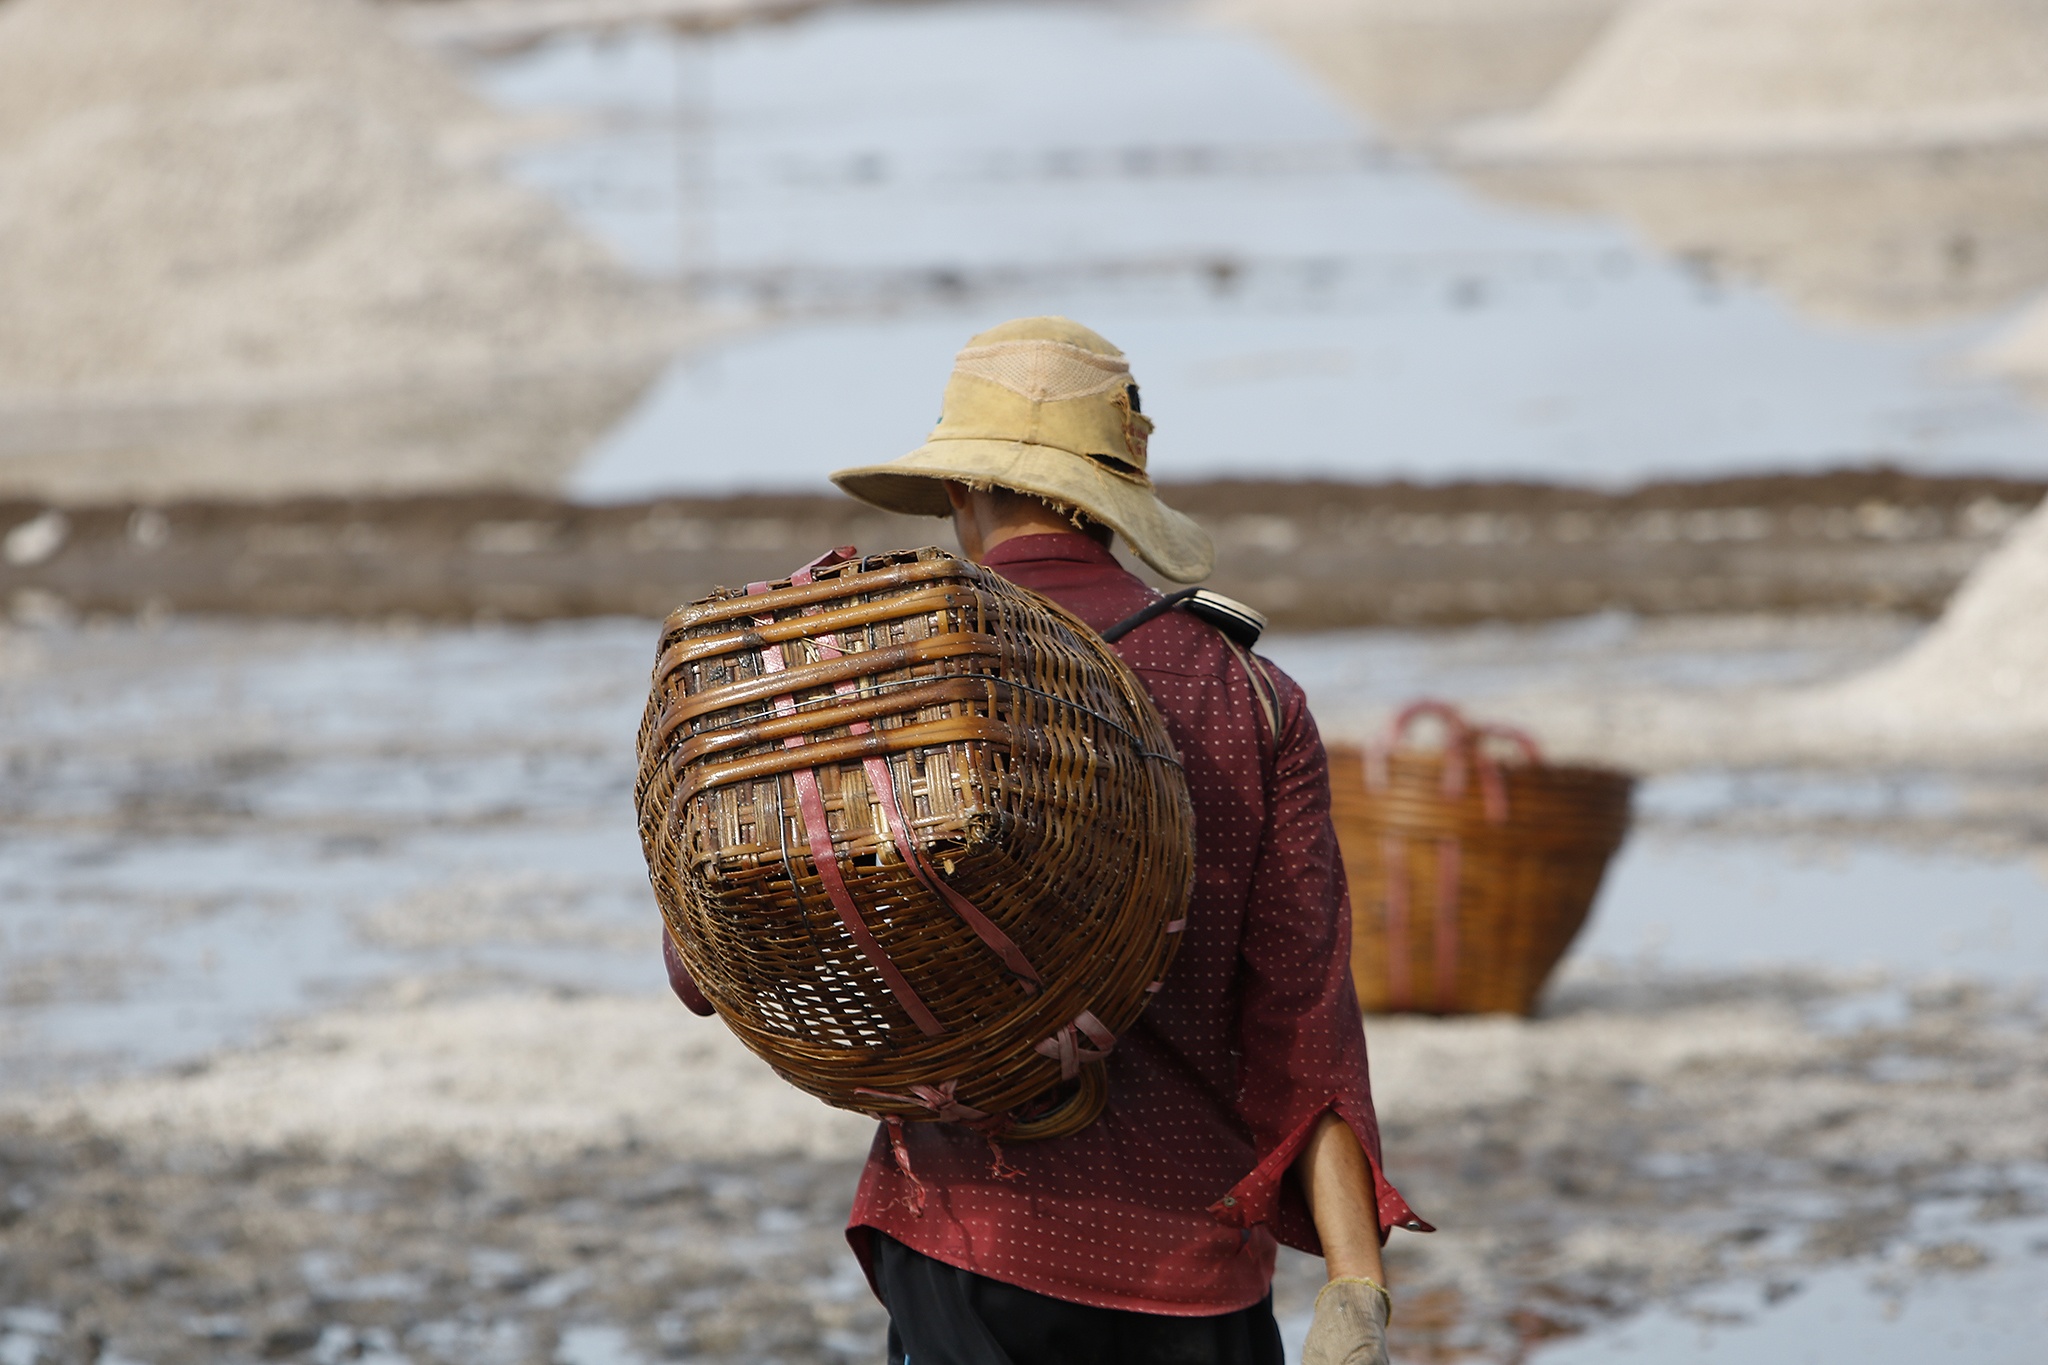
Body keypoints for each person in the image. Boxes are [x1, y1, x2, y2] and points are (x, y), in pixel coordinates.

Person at [809, 316, 1429, 1365]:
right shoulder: (1251, 697)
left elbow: (707, 971)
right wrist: (1353, 1284)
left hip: (968, 1243)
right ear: (1111, 503)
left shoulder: (897, 681)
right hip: (1190, 1273)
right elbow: (1302, 1025)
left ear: (963, 491)